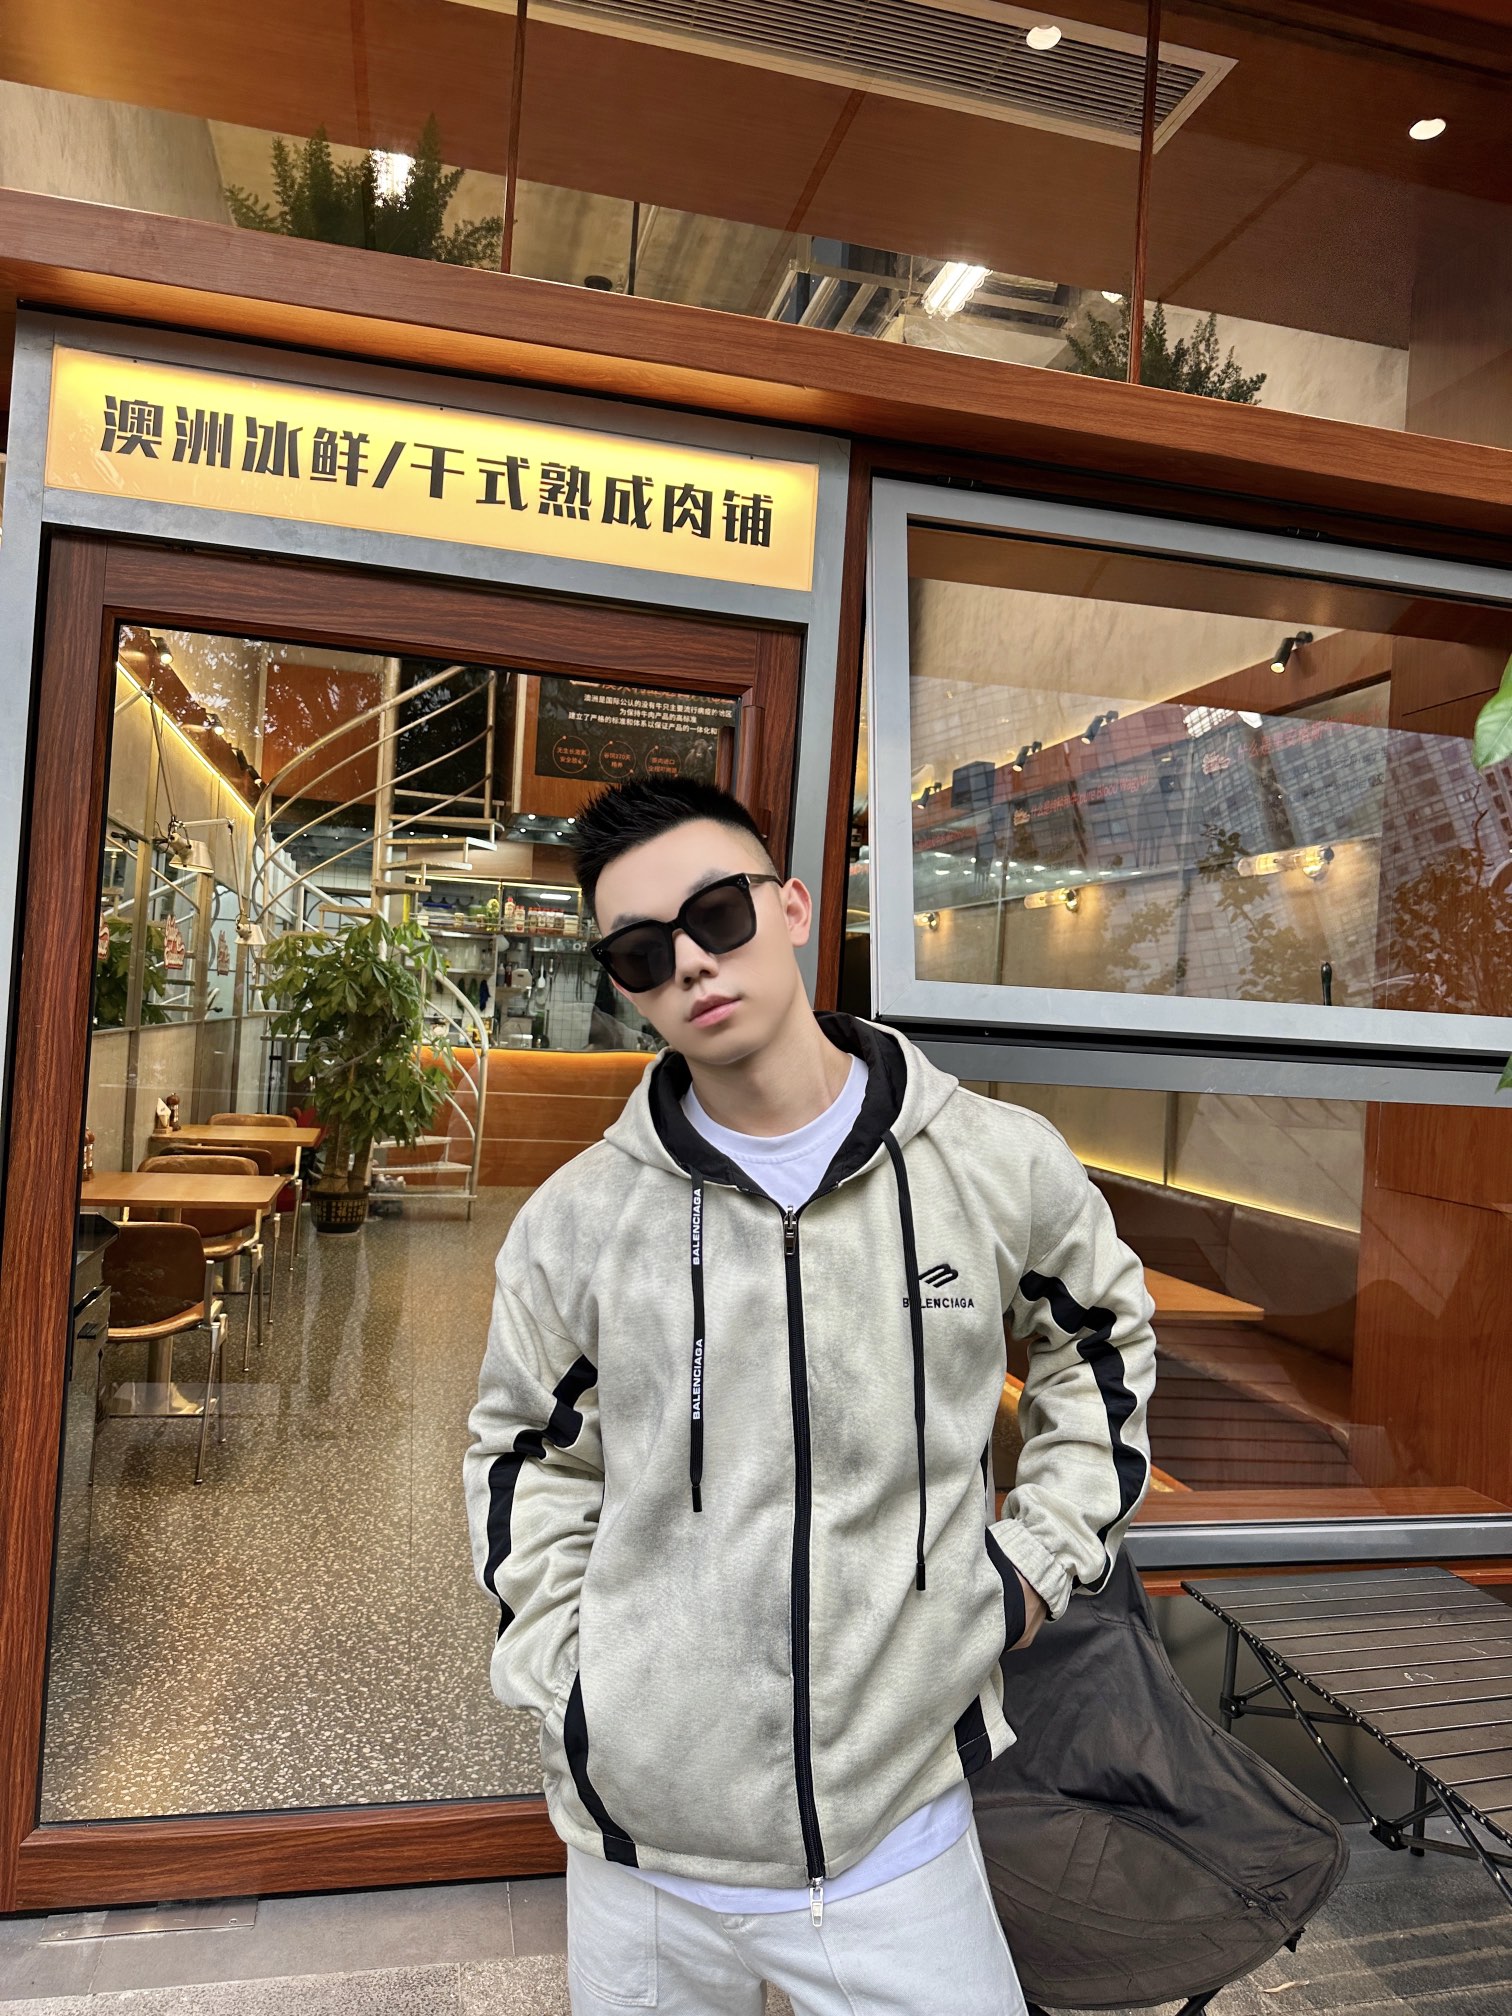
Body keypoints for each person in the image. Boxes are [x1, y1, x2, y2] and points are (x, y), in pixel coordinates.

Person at [464, 778, 1158, 2016]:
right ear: (624, 985)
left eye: (716, 914)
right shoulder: (580, 1222)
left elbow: (1099, 1344)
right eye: (641, 951)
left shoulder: (989, 1164)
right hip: (642, 1852)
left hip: (898, 1828)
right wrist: (577, 1680)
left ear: (791, 908)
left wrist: (1034, 1564)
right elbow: (526, 1459)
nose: (690, 962)